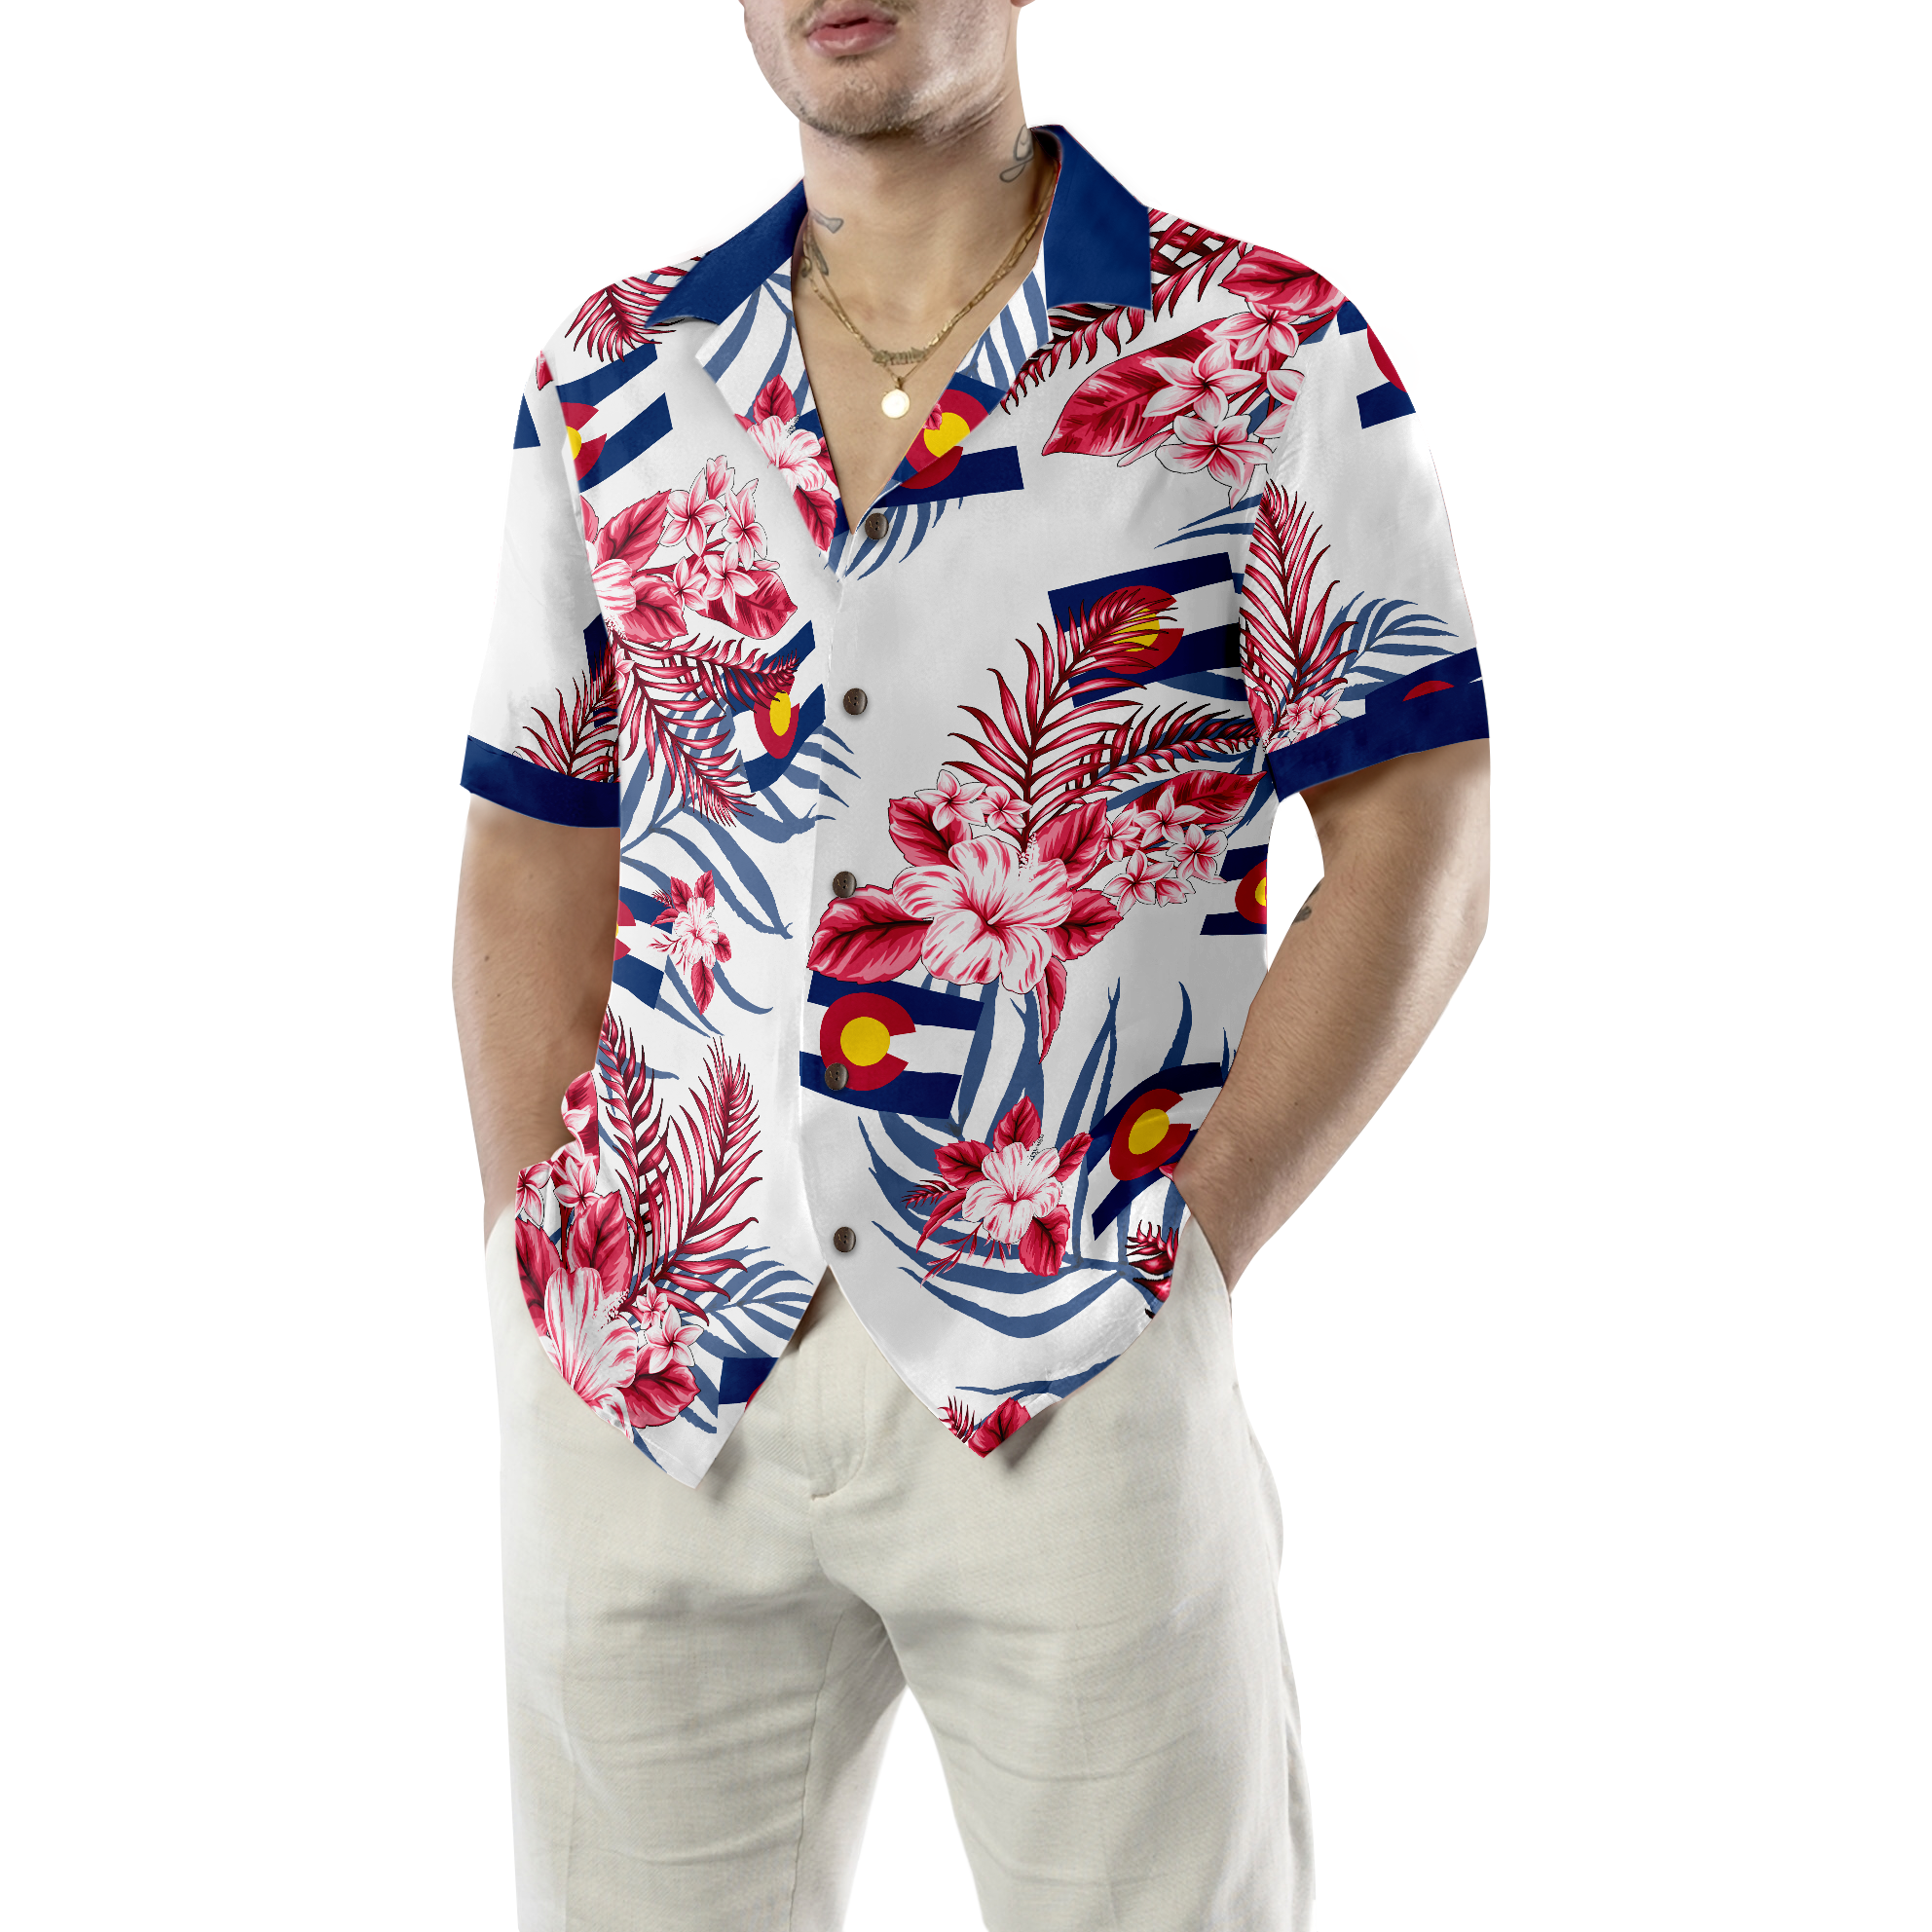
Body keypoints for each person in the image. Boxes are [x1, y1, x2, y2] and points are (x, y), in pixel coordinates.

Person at [452, 2, 1490, 1925]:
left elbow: (1419, 822)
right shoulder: (616, 367)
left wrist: (1193, 1248)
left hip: (1071, 1346)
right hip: (653, 1368)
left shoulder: (1256, 346)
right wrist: (541, 1232)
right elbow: (533, 835)